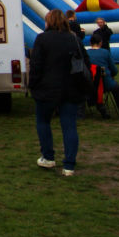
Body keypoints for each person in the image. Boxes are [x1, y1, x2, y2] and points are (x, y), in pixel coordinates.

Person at [29, 9, 86, 175]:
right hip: (70, 87)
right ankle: (69, 164)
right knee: (69, 126)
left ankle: (48, 157)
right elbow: (83, 62)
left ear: (49, 22)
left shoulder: (42, 39)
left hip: (47, 88)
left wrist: (32, 84)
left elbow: (36, 65)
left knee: (43, 122)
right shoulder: (73, 39)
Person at [86, 30, 119, 117]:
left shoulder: (86, 53)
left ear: (90, 43)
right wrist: (112, 75)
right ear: (100, 43)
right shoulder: (105, 52)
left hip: (90, 83)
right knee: (116, 88)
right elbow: (114, 69)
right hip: (105, 82)